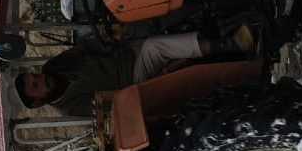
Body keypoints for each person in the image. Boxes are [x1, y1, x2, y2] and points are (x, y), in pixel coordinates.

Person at [14, 28, 254, 115]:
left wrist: (106, 36)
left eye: (34, 76)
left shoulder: (53, 67)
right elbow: (107, 104)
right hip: (131, 82)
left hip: (125, 52)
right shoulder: (68, 106)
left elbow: (83, 49)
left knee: (146, 22)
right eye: (35, 86)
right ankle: (229, 44)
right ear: (38, 102)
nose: (40, 79)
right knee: (154, 47)